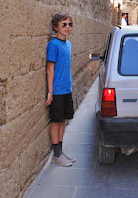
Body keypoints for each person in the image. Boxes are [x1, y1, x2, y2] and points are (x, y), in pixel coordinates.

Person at [46, 12, 76, 167]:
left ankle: (61, 150)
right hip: (57, 90)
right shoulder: (53, 45)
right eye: (64, 24)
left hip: (66, 88)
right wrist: (50, 92)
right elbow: (50, 69)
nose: (67, 27)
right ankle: (56, 154)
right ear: (55, 27)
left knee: (64, 119)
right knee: (56, 121)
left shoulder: (68, 44)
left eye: (70, 24)